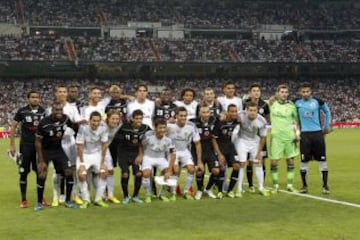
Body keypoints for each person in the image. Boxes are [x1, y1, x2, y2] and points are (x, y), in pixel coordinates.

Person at [35, 102, 77, 211]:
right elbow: (38, 142)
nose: (59, 113)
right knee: (42, 174)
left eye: (60, 110)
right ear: (51, 111)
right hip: (45, 151)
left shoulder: (65, 119)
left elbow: (75, 127)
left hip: (58, 149)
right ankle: (39, 202)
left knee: (68, 172)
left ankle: (68, 200)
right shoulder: (44, 123)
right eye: (56, 110)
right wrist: (41, 160)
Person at [9, 90, 46, 208]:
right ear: (28, 98)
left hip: (39, 147)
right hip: (25, 146)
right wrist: (12, 144)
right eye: (33, 97)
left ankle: (41, 198)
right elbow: (14, 126)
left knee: (40, 171)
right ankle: (24, 199)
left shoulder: (44, 111)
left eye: (37, 97)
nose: (35, 99)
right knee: (23, 172)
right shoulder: (22, 111)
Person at [294, 82, 332, 194]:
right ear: (300, 92)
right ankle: (304, 186)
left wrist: (327, 125)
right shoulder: (296, 103)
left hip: (317, 134)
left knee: (322, 160)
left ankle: (325, 186)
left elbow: (327, 111)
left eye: (307, 91)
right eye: (303, 91)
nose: (305, 93)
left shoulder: (317, 101)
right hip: (304, 135)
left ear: (311, 92)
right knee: (304, 161)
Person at [51, 84, 83, 207]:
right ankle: (56, 196)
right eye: (60, 91)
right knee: (57, 171)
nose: (62, 94)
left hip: (70, 143)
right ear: (56, 93)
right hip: (56, 143)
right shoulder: (50, 109)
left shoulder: (72, 108)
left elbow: (77, 122)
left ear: (66, 94)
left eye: (64, 92)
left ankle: (75, 195)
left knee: (73, 170)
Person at [113, 110, 151, 204]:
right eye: (137, 118)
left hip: (136, 153)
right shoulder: (125, 127)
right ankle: (126, 196)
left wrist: (141, 155)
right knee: (125, 173)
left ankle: (135, 196)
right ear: (132, 118)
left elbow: (149, 140)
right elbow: (116, 140)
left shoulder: (146, 128)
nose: (139, 120)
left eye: (140, 118)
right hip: (124, 153)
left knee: (138, 174)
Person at [232, 101, 270, 196]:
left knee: (258, 162)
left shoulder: (262, 121)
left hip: (254, 141)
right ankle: (239, 189)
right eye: (250, 110)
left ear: (257, 111)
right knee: (242, 163)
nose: (252, 112)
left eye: (254, 110)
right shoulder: (240, 115)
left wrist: (259, 152)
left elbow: (262, 138)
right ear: (246, 110)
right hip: (241, 140)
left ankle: (261, 187)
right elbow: (231, 119)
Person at [269, 84, 300, 193]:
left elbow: (296, 121)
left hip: (289, 138)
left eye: (286, 92)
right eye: (282, 92)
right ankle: (275, 185)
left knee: (290, 161)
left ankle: (290, 185)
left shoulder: (291, 106)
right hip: (276, 138)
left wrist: (297, 134)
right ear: (277, 93)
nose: (284, 94)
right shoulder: (271, 104)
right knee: (274, 162)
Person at [167, 107, 203, 200]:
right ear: (176, 116)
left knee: (191, 169)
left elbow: (197, 143)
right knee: (175, 170)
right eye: (181, 116)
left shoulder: (191, 126)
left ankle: (186, 192)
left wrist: (199, 161)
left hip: (185, 151)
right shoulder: (169, 126)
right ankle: (173, 193)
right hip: (173, 151)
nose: (183, 118)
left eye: (185, 116)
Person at [76, 111, 109, 208]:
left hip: (96, 154)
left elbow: (104, 145)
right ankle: (86, 199)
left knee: (104, 173)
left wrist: (103, 162)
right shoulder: (83, 128)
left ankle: (98, 199)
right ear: (89, 120)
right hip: (84, 154)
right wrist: (82, 163)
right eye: (93, 121)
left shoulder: (103, 128)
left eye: (98, 121)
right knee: (81, 175)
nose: (96, 123)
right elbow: (80, 146)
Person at [242, 83, 270, 192]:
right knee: (249, 161)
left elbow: (267, 120)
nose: (256, 92)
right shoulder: (246, 104)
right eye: (254, 91)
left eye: (258, 90)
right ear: (250, 93)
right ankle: (250, 185)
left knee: (261, 161)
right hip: (248, 137)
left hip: (261, 137)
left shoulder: (264, 105)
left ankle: (261, 185)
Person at [140, 119, 176, 203]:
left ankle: (162, 194)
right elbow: (141, 145)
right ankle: (148, 194)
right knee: (146, 173)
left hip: (160, 158)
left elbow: (173, 154)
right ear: (155, 128)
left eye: (164, 127)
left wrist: (169, 170)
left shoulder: (168, 140)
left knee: (169, 172)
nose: (162, 130)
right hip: (148, 157)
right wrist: (140, 156)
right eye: (160, 128)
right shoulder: (148, 136)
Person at [191, 105, 220, 200]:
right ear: (199, 113)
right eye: (203, 112)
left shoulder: (214, 120)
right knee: (199, 171)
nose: (205, 114)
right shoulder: (192, 122)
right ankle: (200, 190)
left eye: (207, 112)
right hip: (197, 149)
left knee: (216, 171)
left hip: (210, 149)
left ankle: (208, 189)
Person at [212, 104, 241, 198]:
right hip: (220, 147)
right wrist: (219, 154)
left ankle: (230, 191)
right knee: (222, 167)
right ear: (227, 112)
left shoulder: (236, 120)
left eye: (235, 111)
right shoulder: (220, 122)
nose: (234, 113)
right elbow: (213, 139)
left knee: (237, 166)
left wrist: (239, 118)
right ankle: (220, 191)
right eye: (231, 111)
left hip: (230, 146)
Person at [103, 110, 122, 204]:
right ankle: (101, 194)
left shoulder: (119, 125)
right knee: (98, 172)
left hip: (105, 149)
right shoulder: (102, 126)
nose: (115, 121)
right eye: (113, 119)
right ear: (107, 118)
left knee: (110, 171)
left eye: (117, 119)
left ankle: (110, 195)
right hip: (94, 150)